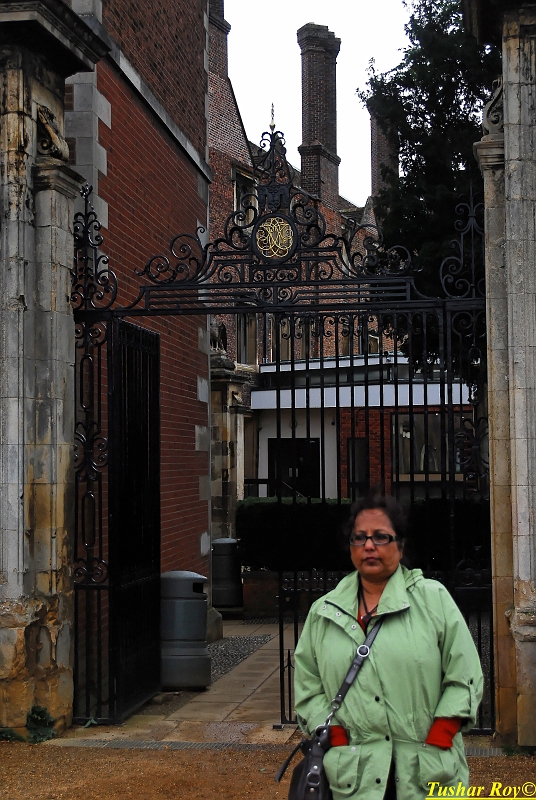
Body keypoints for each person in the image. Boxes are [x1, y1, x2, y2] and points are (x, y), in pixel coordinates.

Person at [293, 493, 483, 800]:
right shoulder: (323, 612)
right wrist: (335, 735)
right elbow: (308, 684)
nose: (369, 546)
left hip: (426, 773)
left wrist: (442, 733)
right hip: (353, 776)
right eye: (360, 537)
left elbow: (464, 674)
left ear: (400, 545)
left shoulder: (433, 600)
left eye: (381, 537)